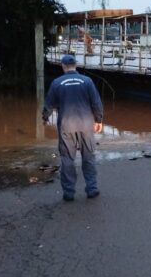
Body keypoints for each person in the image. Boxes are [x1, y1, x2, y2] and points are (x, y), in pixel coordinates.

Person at [42, 54, 104, 201]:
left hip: (66, 125)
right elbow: (96, 103)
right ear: (76, 65)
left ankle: (69, 193)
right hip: (86, 124)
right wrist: (99, 119)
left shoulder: (57, 83)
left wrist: (45, 118)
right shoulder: (87, 81)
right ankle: (92, 189)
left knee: (67, 158)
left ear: (63, 66)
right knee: (88, 156)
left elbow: (48, 104)